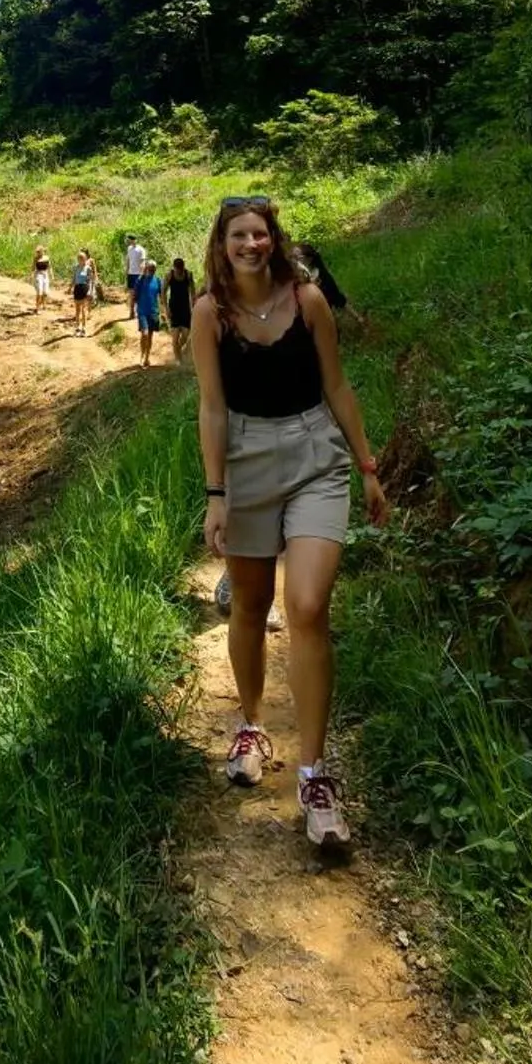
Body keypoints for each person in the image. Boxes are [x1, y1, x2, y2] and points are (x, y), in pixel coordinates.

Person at [193, 195, 387, 852]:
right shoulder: (208, 314)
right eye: (237, 236)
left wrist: (365, 466)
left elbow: (337, 386)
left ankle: (314, 774)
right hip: (244, 459)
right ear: (221, 246)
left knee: (305, 606)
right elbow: (212, 409)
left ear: (273, 240)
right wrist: (215, 493)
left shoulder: (306, 302)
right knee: (248, 604)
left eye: (259, 234)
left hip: (313, 455)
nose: (250, 244)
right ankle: (250, 726)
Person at [164, 257, 196, 361]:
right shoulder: (169, 275)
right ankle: (178, 360)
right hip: (174, 307)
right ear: (174, 268)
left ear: (183, 267)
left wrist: (194, 306)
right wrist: (166, 308)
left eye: (180, 269)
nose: (179, 271)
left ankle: (177, 350)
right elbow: (163, 292)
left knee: (186, 335)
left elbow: (192, 291)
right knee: (175, 336)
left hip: (185, 307)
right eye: (177, 269)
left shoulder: (188, 275)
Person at [134, 257, 163, 366]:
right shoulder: (140, 280)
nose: (152, 270)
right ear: (146, 268)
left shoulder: (158, 280)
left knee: (150, 335)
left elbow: (161, 296)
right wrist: (135, 308)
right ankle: (141, 356)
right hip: (142, 311)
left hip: (153, 311)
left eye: (153, 269)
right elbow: (135, 295)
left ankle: (147, 357)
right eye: (150, 268)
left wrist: (163, 311)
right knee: (144, 334)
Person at [70, 249, 97, 335]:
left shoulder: (88, 268)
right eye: (79, 258)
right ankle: (77, 327)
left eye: (82, 258)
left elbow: (91, 280)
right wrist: (70, 287)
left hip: (84, 288)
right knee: (77, 309)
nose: (80, 260)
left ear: (85, 259)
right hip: (77, 288)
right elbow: (74, 278)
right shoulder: (76, 267)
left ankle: (84, 328)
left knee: (83, 309)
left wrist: (90, 290)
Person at [124, 233, 147, 318]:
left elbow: (142, 262)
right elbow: (128, 261)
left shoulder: (141, 250)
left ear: (132, 240)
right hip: (131, 273)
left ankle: (139, 311)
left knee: (138, 293)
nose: (128, 241)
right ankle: (131, 311)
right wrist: (126, 271)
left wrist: (141, 274)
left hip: (138, 274)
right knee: (131, 293)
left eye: (129, 240)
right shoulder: (129, 249)